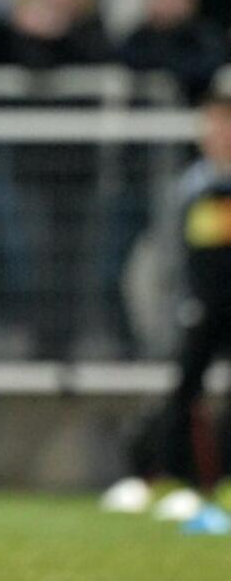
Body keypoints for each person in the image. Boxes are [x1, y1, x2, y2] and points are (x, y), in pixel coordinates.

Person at [102, 93, 231, 523]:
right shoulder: (193, 187)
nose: (220, 136)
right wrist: (179, 302)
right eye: (213, 127)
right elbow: (175, 255)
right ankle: (177, 479)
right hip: (204, 306)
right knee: (184, 390)